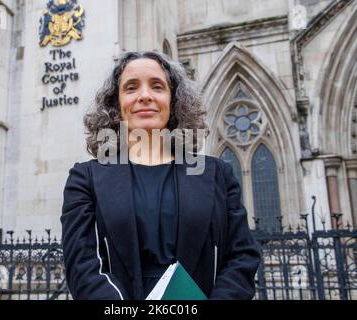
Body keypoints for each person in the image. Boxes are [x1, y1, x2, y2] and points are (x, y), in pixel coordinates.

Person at [61, 51, 261, 300]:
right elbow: (82, 265)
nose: (145, 96)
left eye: (157, 86)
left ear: (174, 101)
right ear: (116, 104)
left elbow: (242, 257)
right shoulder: (85, 179)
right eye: (131, 88)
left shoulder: (218, 175)